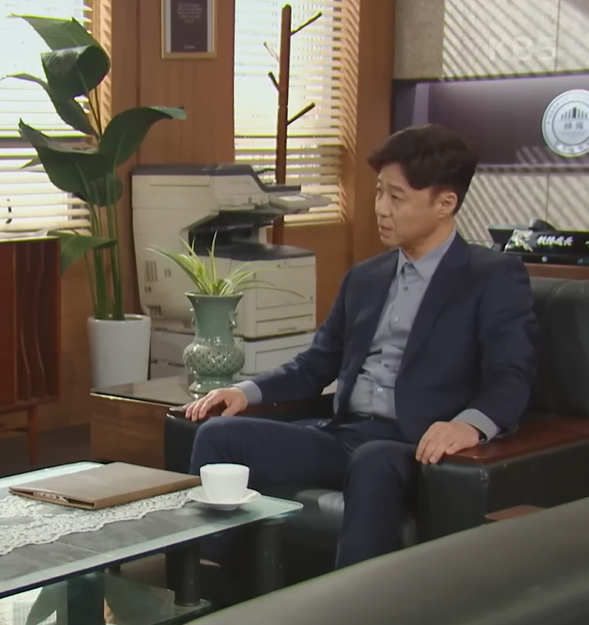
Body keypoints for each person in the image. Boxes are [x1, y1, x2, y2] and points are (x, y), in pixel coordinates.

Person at [183, 123, 538, 569]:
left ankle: (351, 601)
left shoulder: (492, 277)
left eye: (397, 197)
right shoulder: (365, 278)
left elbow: (511, 375)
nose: (381, 209)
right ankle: (202, 583)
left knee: (373, 459)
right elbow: (317, 364)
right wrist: (245, 391)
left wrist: (468, 426)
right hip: (343, 436)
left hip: (412, 446)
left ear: (445, 203)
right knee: (218, 435)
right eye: (378, 193)